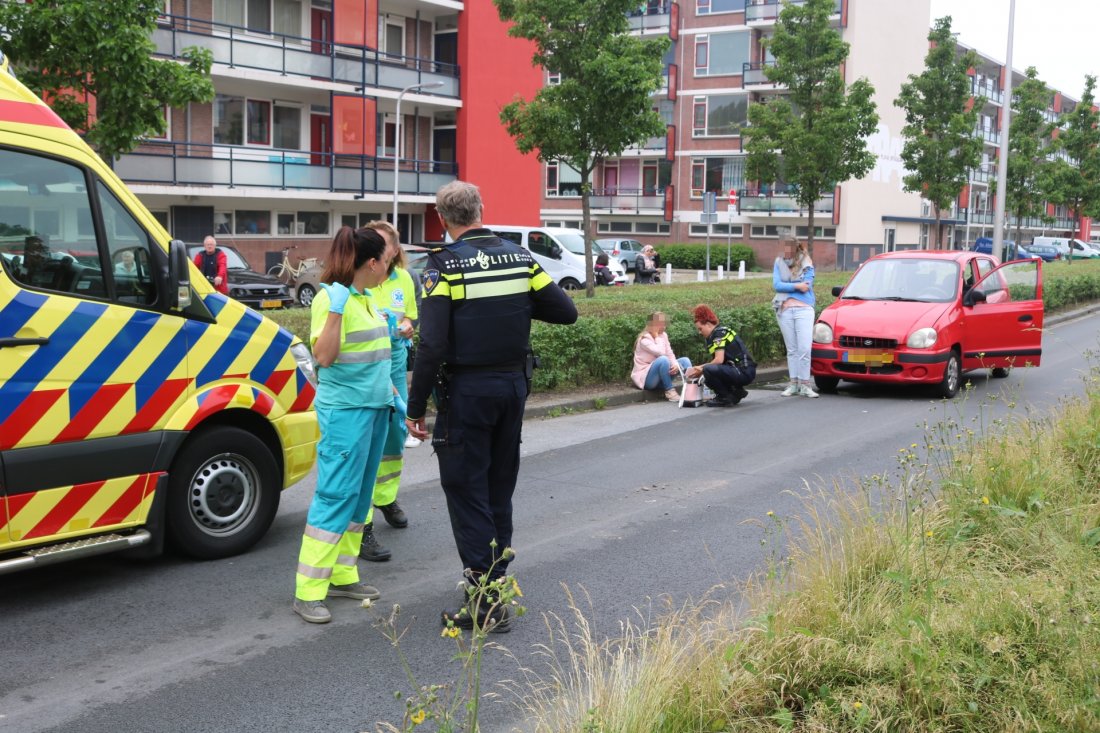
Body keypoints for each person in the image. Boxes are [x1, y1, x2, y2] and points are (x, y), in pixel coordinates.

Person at [405, 181, 577, 632]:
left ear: (444, 220)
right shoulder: (520, 258)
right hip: (512, 389)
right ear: (482, 209)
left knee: (467, 492)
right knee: (499, 488)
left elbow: (432, 344)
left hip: (467, 394)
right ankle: (495, 584)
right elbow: (565, 311)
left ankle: (484, 604)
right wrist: (514, 305)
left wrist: (415, 405)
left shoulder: (442, 268)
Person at [292, 226, 395, 624]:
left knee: (359, 498)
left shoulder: (366, 298)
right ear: (371, 263)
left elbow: (373, 360)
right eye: (386, 259)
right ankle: (308, 591)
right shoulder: (332, 299)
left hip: (373, 411)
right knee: (336, 496)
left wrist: (395, 401)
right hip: (346, 414)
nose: (389, 265)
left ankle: (342, 574)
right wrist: (335, 309)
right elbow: (325, 357)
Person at [357, 220, 418, 563]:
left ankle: (385, 497)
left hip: (393, 363)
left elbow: (409, 317)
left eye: (385, 244)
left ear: (394, 249)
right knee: (367, 444)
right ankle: (362, 526)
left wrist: (408, 326)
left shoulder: (403, 280)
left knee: (394, 436)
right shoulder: (355, 283)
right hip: (366, 370)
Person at [685, 304, 755, 408]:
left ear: (708, 324)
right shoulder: (717, 333)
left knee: (708, 370)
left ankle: (724, 397)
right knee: (710, 370)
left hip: (743, 371)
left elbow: (718, 360)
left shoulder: (718, 335)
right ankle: (736, 392)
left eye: (700, 329)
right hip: (743, 370)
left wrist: (701, 367)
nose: (700, 332)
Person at [772, 240, 817, 398]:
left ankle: (805, 384)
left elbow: (807, 285)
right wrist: (797, 286)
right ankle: (793, 384)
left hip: (804, 309)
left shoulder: (807, 263)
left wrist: (789, 285)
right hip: (784, 309)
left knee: (804, 348)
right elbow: (777, 285)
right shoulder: (779, 263)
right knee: (791, 350)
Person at [631, 311, 691, 401]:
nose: (664, 326)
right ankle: (669, 391)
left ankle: (692, 390)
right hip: (647, 380)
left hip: (662, 377)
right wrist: (656, 336)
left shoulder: (664, 335)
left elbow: (669, 353)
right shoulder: (644, 339)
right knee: (663, 359)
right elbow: (661, 352)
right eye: (662, 323)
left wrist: (675, 364)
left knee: (685, 361)